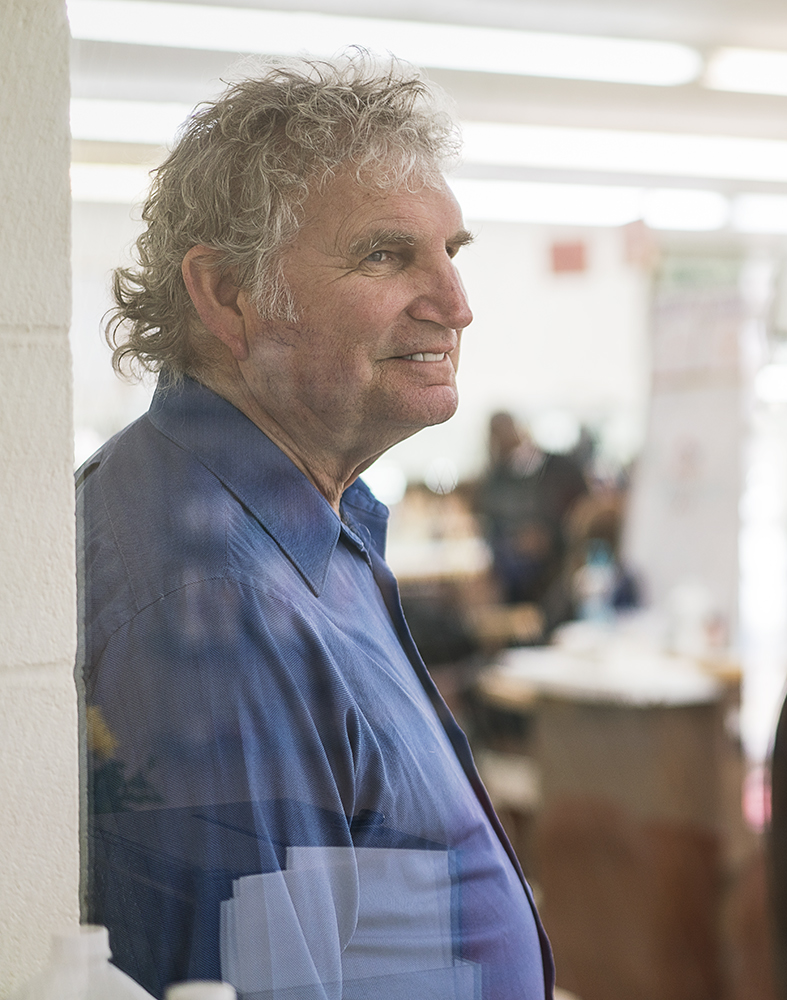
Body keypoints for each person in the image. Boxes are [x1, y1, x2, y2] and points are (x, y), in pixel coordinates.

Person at [76, 56, 551, 1000]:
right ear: (226, 295)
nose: (456, 305)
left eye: (451, 252)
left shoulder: (302, 535)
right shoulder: (213, 598)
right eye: (386, 254)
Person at [474, 412, 589, 632]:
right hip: (510, 574)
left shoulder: (561, 469)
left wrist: (551, 536)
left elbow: (581, 513)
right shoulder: (496, 479)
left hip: (557, 569)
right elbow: (489, 525)